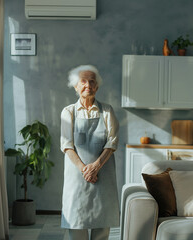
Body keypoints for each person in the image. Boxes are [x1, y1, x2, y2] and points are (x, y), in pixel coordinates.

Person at [60, 65, 120, 240]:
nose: (88, 85)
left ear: (97, 86)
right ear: (76, 86)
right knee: (76, 223)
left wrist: (96, 166)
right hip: (77, 177)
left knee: (102, 226)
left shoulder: (107, 111)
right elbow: (67, 145)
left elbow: (112, 142)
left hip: (103, 175)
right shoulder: (68, 112)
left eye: (92, 81)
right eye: (83, 81)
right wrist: (85, 170)